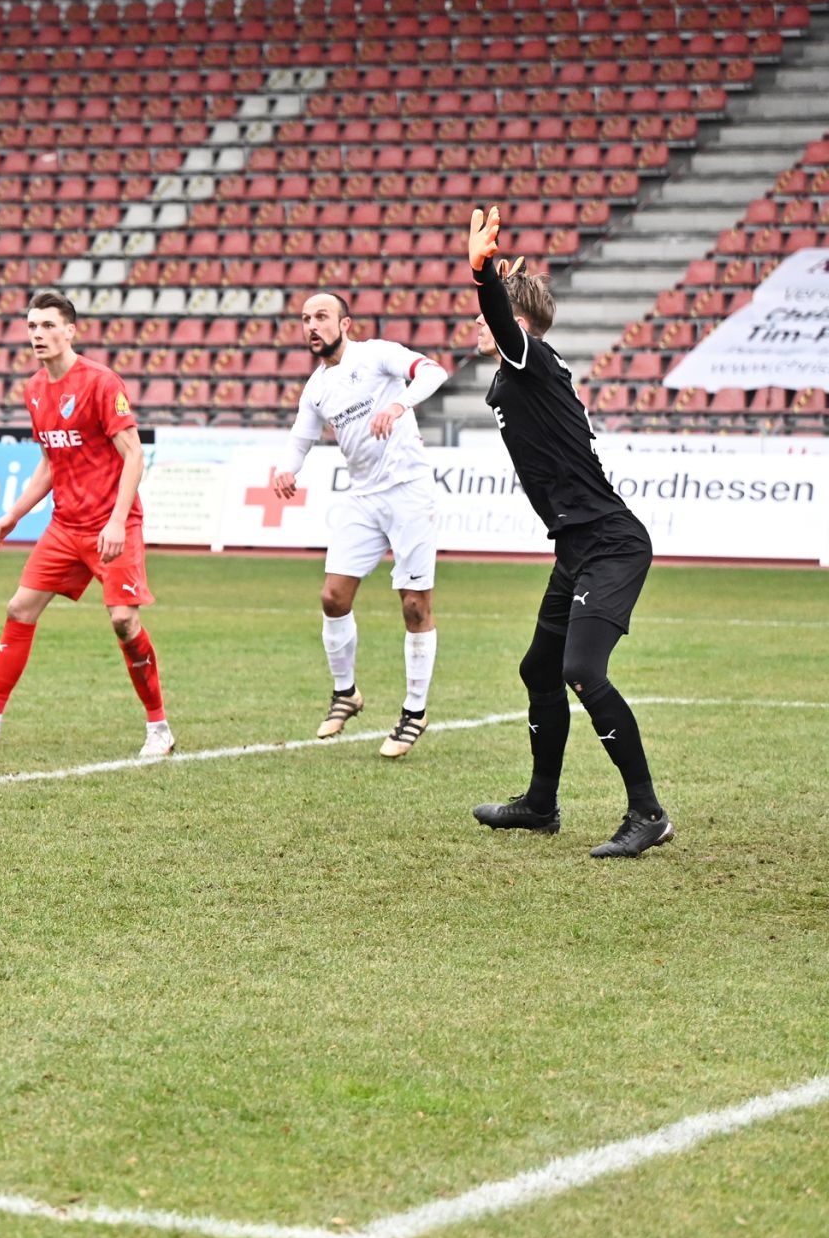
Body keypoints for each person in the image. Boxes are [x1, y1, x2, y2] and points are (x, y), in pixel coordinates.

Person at [466, 206, 675, 859]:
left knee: (581, 669)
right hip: (578, 548)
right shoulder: (517, 377)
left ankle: (648, 813)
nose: (475, 327)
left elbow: (502, 320)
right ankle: (540, 804)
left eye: (485, 320)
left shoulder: (531, 360)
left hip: (611, 543)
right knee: (539, 668)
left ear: (515, 324)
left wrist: (484, 277)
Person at [0, 291, 172, 757]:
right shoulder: (34, 390)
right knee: (19, 608)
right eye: (31, 327)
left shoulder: (102, 383)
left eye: (47, 326)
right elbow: (49, 463)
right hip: (66, 525)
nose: (37, 335)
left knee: (124, 621)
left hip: (111, 524)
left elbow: (134, 455)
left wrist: (119, 521)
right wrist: (12, 515)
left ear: (70, 330)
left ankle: (159, 727)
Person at [270, 294, 451, 757]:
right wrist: (285, 469)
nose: (312, 326)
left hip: (409, 490)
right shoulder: (316, 387)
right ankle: (346, 693)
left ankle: (414, 712)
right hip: (361, 496)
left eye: (321, 317)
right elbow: (301, 438)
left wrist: (399, 406)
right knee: (333, 596)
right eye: (306, 319)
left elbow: (434, 372)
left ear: (345, 323)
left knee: (414, 605)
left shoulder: (377, 354)